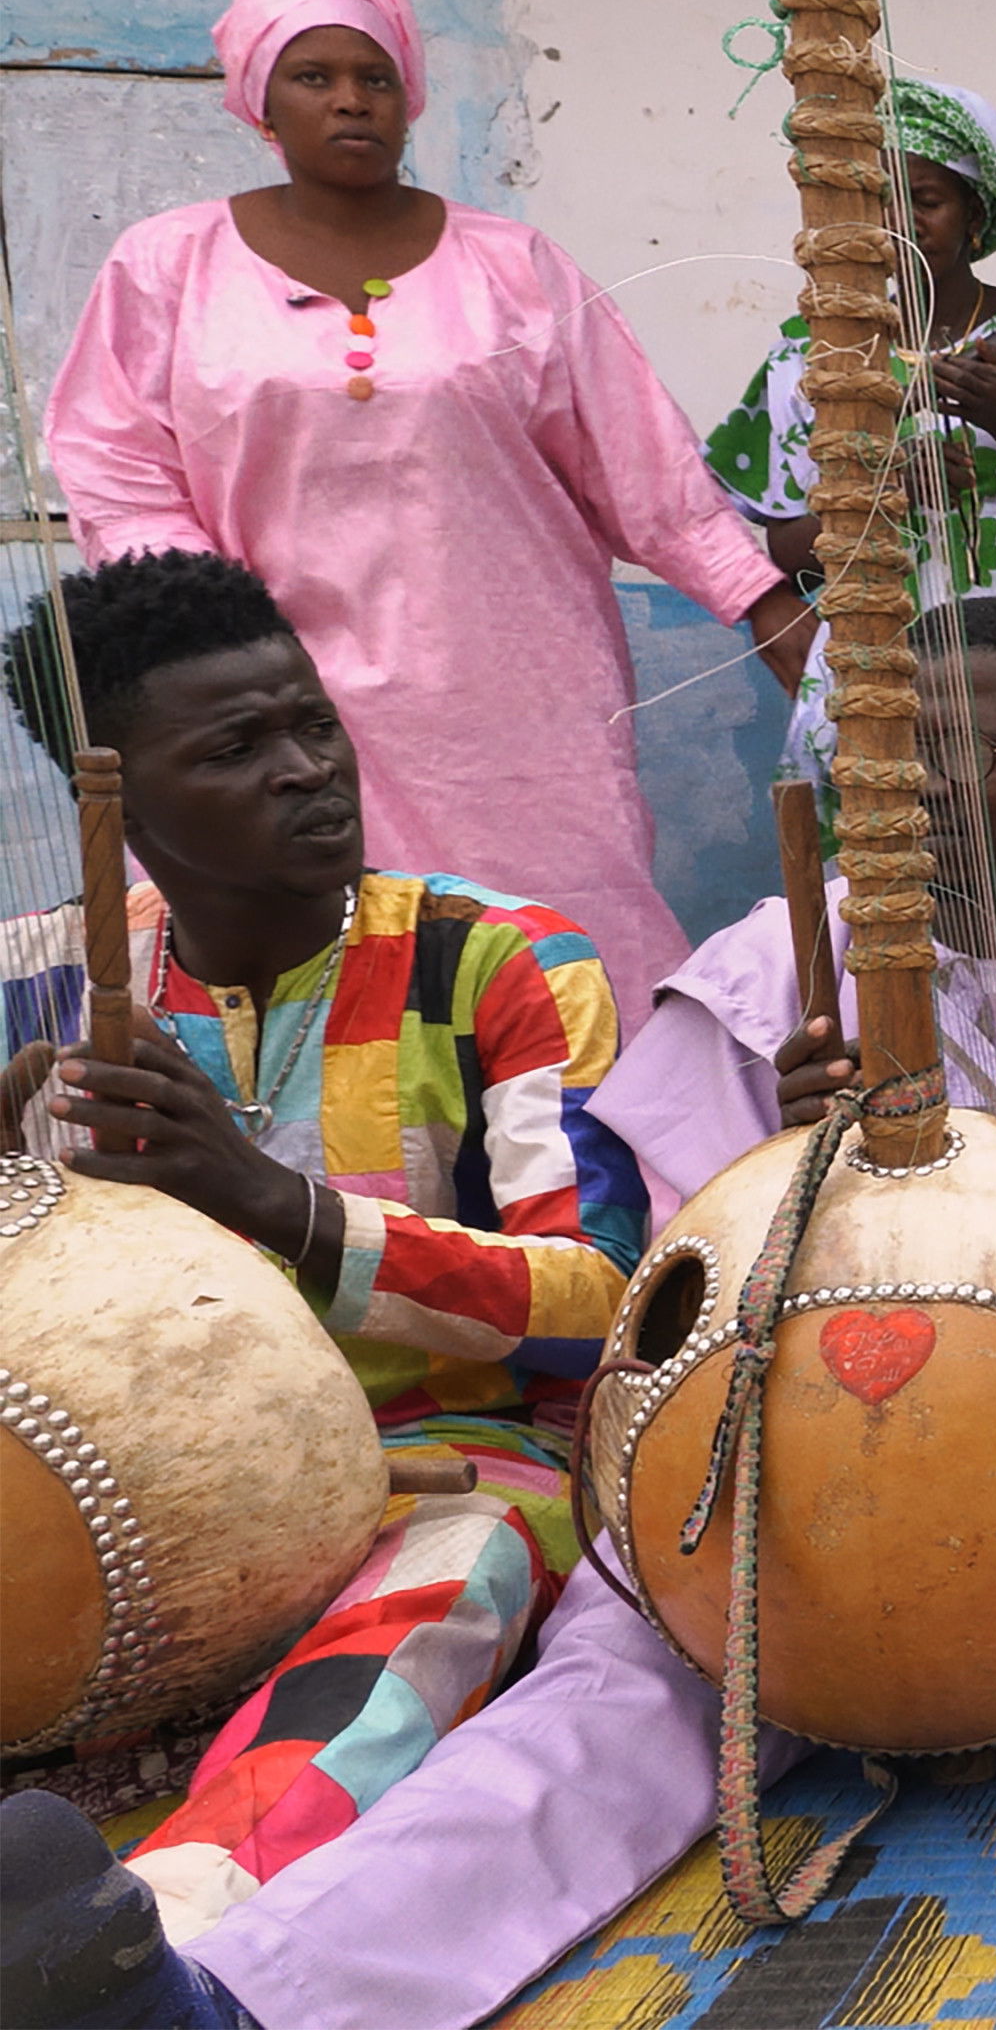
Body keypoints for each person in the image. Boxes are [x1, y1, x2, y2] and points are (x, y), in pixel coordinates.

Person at [0, 594, 996, 2030]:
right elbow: (658, 1322)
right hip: (820, 1479)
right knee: (621, 1684)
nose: (902, 795)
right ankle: (243, 2000)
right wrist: (772, 1164)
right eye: (882, 755)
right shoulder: (765, 980)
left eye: (957, 759)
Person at [0, 551, 644, 1937]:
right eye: (240, 748)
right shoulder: (32, 985)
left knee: (447, 1587)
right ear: (109, 793)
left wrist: (270, 1199)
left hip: (446, 1465)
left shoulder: (499, 960)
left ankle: (156, 1934)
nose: (309, 769)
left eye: (313, 723)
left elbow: (600, 1301)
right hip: (132, 1500)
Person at [42, 0, 786, 999]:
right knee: (304, 959)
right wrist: (218, 638)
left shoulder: (511, 267)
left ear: (408, 97)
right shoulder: (169, 266)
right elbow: (116, 468)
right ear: (261, 101)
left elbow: (641, 466)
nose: (351, 101)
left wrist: (763, 604)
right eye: (315, 77)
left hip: (514, 698)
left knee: (548, 959)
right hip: (273, 695)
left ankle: (589, 1165)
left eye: (374, 77)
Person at [707, 77, 996, 826]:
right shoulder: (812, 360)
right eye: (877, 201)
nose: (900, 226)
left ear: (976, 216)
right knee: (886, 888)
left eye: (927, 200)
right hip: (879, 668)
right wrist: (882, 501)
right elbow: (787, 550)